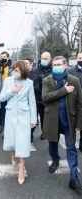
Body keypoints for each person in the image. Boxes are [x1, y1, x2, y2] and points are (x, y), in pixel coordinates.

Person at [42, 56, 82, 190]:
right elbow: (45, 97)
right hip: (52, 119)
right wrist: (64, 91)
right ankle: (55, 160)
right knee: (52, 143)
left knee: (71, 149)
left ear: (65, 66)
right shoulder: (47, 80)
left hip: (68, 120)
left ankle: (74, 178)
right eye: (54, 65)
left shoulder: (74, 80)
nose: (56, 67)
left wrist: (79, 122)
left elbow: (80, 103)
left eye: (59, 64)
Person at [0, 60, 37, 185]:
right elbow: (1, 98)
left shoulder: (29, 83)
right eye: (13, 69)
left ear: (23, 70)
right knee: (11, 140)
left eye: (16, 70)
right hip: (10, 114)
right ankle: (13, 154)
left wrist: (33, 120)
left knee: (23, 142)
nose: (14, 71)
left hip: (24, 116)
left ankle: (21, 169)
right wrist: (12, 91)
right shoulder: (8, 81)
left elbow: (32, 102)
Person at [33, 52, 52, 140]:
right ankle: (43, 132)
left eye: (46, 59)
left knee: (50, 117)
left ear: (50, 59)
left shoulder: (53, 69)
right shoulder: (36, 70)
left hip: (51, 97)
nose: (44, 60)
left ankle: (49, 132)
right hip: (39, 97)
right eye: (42, 58)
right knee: (41, 116)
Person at [68, 52, 82, 151]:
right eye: (79, 58)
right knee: (75, 123)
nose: (81, 60)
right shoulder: (71, 70)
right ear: (77, 58)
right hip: (75, 102)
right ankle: (72, 143)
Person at [23, 58, 40, 142]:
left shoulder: (35, 76)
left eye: (26, 63)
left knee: (33, 118)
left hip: (32, 101)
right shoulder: (19, 75)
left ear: (31, 64)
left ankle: (30, 134)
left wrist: (28, 87)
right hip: (21, 102)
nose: (25, 65)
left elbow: (38, 88)